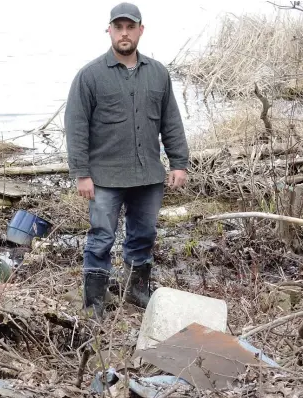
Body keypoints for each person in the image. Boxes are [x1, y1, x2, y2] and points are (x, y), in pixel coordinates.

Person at [64, 2, 189, 319]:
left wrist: (178, 163)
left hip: (148, 177)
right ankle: (94, 304)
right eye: (118, 27)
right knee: (101, 238)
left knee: (143, 236)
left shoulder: (158, 73)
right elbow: (76, 127)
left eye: (130, 27)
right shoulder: (89, 76)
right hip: (105, 178)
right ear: (109, 31)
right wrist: (81, 173)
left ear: (140, 31)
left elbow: (170, 121)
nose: (124, 33)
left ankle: (135, 291)